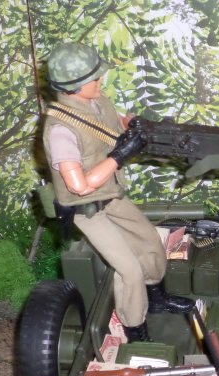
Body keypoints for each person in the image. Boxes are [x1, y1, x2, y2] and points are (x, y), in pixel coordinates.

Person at [42, 42, 193, 342]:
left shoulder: (96, 101)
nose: (101, 81)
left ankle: (156, 298)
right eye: (95, 78)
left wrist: (135, 124)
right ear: (74, 85)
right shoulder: (61, 131)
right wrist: (120, 155)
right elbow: (79, 185)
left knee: (151, 243)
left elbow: (115, 121)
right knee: (129, 270)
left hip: (111, 197)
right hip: (88, 211)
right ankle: (135, 327)